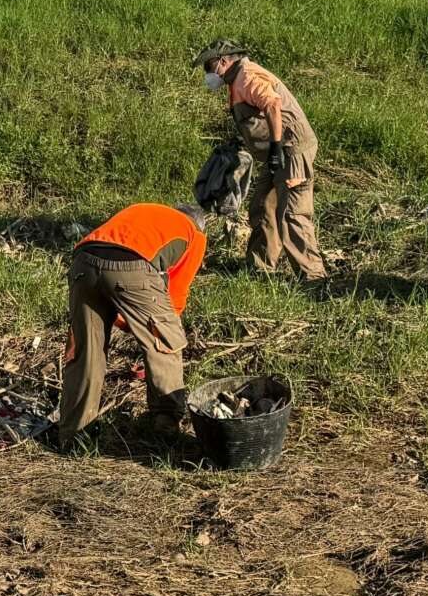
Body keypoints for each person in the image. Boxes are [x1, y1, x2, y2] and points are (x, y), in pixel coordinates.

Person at [57, 202, 206, 450]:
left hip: (82, 261)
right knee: (166, 342)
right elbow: (175, 296)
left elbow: (106, 272)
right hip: (132, 265)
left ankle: (74, 438)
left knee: (85, 352)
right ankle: (165, 429)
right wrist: (158, 329)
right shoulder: (195, 234)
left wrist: (123, 316)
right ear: (200, 225)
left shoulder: (145, 211)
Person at [196, 39, 326, 282]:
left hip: (291, 150)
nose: (207, 74)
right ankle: (258, 268)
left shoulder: (247, 76)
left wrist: (276, 147)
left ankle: (314, 278)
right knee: (263, 207)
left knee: (292, 213)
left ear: (224, 62)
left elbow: (273, 105)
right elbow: (256, 118)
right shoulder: (236, 81)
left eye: (209, 67)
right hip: (278, 153)